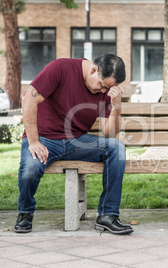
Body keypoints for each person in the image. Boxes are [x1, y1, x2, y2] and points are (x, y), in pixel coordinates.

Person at [15, 54, 133, 235]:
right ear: (94, 70)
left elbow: (109, 134)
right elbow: (29, 100)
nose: (103, 91)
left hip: (78, 141)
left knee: (116, 148)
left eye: (108, 88)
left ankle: (108, 216)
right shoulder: (60, 68)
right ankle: (25, 212)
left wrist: (116, 107)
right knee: (31, 168)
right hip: (44, 138)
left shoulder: (105, 91)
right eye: (102, 85)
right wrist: (33, 141)